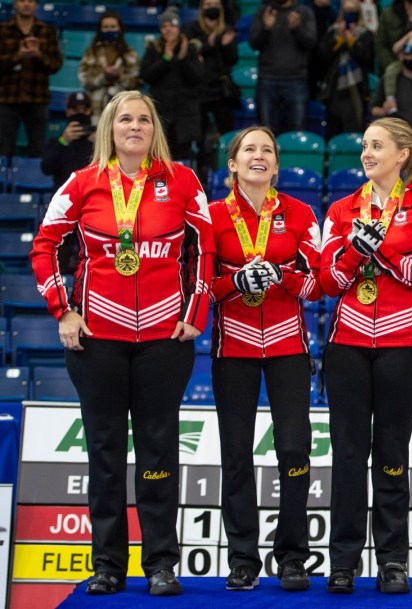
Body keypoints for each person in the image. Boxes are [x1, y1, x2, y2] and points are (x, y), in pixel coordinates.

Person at [29, 90, 214, 597]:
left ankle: (161, 564)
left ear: (156, 129)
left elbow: (206, 248)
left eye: (145, 119)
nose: (135, 126)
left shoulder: (183, 181)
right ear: (110, 127)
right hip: (98, 340)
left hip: (164, 337)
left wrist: (196, 313)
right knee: (105, 452)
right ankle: (108, 564)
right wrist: (62, 309)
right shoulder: (81, 182)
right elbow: (44, 248)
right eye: (126, 119)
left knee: (158, 451)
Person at [319, 117, 412, 595]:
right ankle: (344, 562)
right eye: (365, 146)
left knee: (392, 452)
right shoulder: (340, 210)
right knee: (349, 454)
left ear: (403, 156)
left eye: (377, 146)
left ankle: (393, 561)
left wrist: (388, 256)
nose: (367, 154)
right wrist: (356, 253)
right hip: (348, 344)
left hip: (403, 344)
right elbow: (328, 281)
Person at [208, 126, 321, 592]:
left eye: (267, 151)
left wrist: (281, 275)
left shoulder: (299, 213)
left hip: (287, 348)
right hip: (231, 348)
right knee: (236, 456)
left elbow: (319, 284)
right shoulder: (211, 216)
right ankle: (242, 559)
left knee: (294, 449)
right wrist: (235, 283)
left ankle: (292, 556)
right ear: (232, 164)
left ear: (276, 165)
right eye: (249, 149)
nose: (259, 156)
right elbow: (196, 290)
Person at [40, 91, 96, 275]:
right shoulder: (58, 141)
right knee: (59, 256)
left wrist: (99, 146)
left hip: (92, 205)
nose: (80, 113)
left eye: (84, 108)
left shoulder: (100, 142)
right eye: (75, 109)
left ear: (90, 111)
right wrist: (64, 141)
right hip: (65, 205)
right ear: (68, 112)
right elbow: (46, 167)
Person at [140, 7, 204, 161]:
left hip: (185, 114)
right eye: (164, 26)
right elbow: (146, 76)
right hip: (162, 111)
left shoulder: (190, 49)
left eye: (172, 25)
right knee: (159, 155)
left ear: (178, 27)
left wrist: (183, 60)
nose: (168, 29)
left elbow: (197, 77)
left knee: (183, 157)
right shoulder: (154, 49)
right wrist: (166, 59)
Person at [0, 0, 63, 157]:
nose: (26, 4)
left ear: (36, 5)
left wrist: (39, 55)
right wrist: (18, 56)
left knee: (38, 149)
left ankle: (35, 181)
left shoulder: (47, 31)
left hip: (38, 99)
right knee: (3, 148)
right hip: (7, 98)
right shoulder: (3, 30)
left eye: (30, 1)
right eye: (22, 0)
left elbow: (56, 64)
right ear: (15, 4)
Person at [185, 0, 239, 175]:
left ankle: (228, 172)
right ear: (201, 8)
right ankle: (200, 174)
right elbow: (191, 53)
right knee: (199, 139)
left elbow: (232, 60)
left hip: (220, 91)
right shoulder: (192, 28)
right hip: (198, 91)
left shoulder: (226, 29)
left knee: (228, 136)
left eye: (215, 4)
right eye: (207, 4)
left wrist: (225, 45)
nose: (211, 8)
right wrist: (215, 43)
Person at [249, 0, 317, 134]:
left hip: (297, 81)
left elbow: (311, 43)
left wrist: (297, 29)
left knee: (296, 134)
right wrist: (266, 29)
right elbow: (254, 43)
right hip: (267, 80)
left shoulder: (304, 12)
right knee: (265, 133)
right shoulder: (263, 12)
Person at [317, 0, 375, 140]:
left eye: (353, 11)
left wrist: (351, 41)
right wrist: (339, 40)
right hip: (334, 89)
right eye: (347, 11)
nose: (350, 14)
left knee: (355, 130)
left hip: (357, 89)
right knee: (333, 129)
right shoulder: (333, 31)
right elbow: (323, 57)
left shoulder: (365, 33)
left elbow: (367, 58)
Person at [78, 11, 141, 120]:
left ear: (120, 28)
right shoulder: (91, 52)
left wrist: (119, 77)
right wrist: (103, 77)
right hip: (96, 110)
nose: (109, 30)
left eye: (113, 27)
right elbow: (83, 79)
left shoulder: (130, 54)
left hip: (123, 109)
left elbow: (137, 82)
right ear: (100, 30)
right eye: (105, 27)